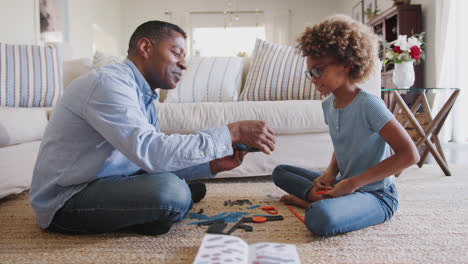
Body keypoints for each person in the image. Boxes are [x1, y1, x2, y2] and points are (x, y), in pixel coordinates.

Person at [29, 20, 275, 236]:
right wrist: (232, 132)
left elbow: (145, 163)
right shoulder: (108, 84)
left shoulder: (145, 95)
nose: (184, 64)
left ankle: (153, 211)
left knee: (171, 186)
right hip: (67, 200)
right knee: (172, 192)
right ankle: (163, 207)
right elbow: (154, 153)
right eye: (176, 53)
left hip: (107, 182)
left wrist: (211, 165)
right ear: (146, 48)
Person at [272, 15, 419, 237]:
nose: (313, 79)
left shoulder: (369, 104)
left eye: (318, 71)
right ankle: (327, 197)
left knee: (319, 218)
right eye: (310, 72)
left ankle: (315, 202)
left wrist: (353, 183)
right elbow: (344, 145)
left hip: (376, 195)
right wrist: (331, 173)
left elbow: (410, 154)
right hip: (344, 184)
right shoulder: (327, 105)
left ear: (346, 65)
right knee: (280, 172)